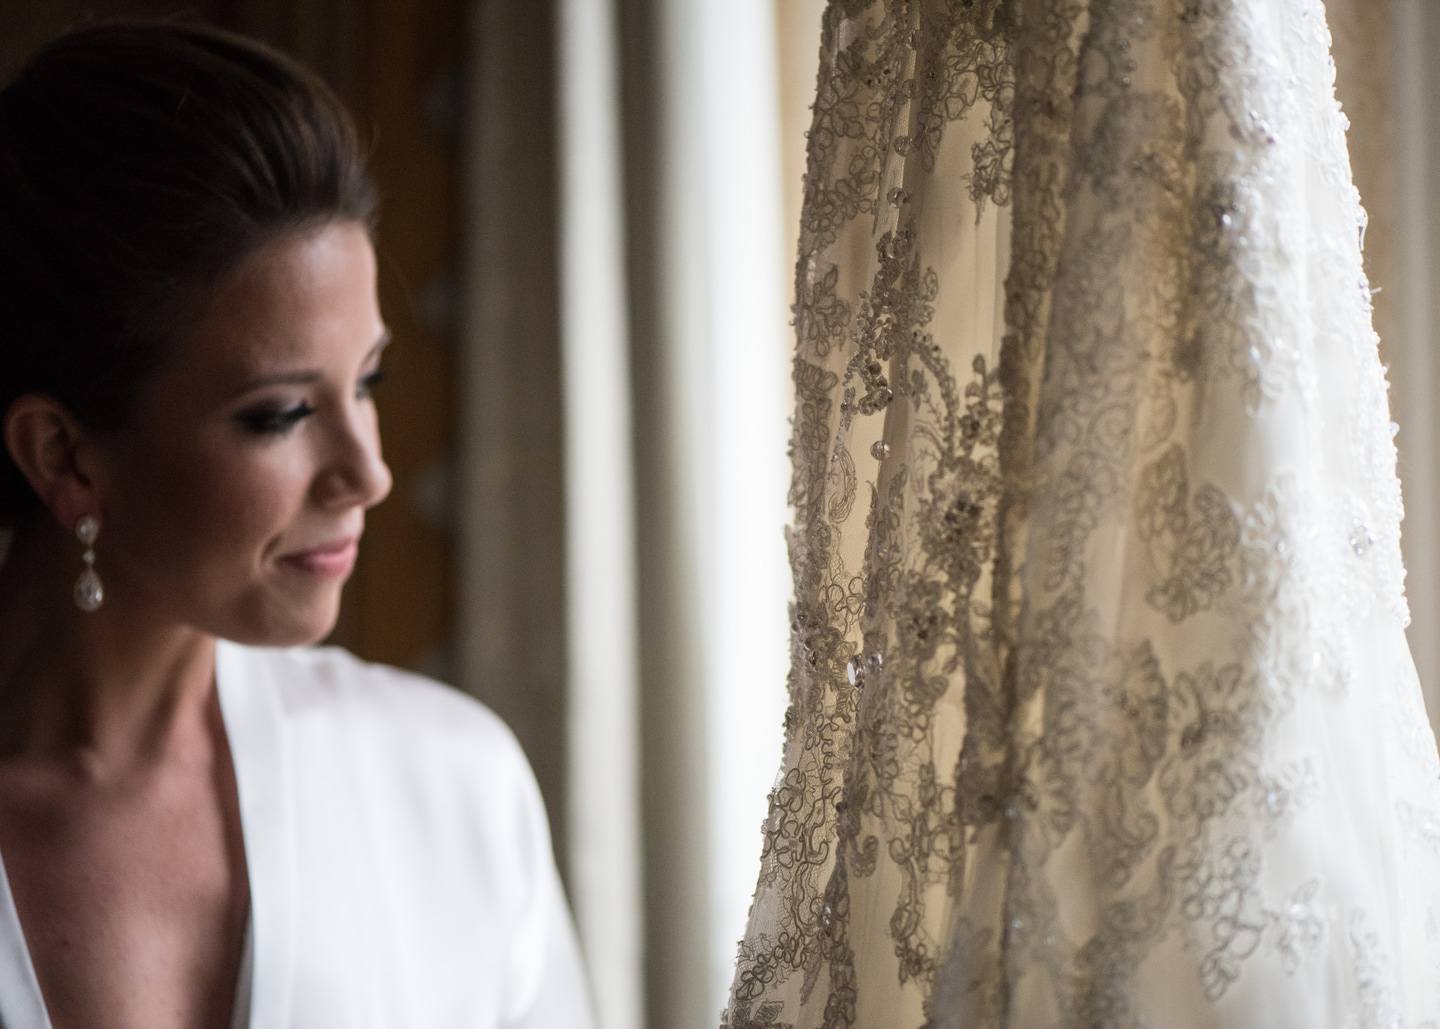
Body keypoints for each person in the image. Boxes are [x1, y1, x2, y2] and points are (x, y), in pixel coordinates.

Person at [0, 21, 593, 1028]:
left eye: (367, 382)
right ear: (63, 455)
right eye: (280, 414)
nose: (370, 473)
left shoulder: (455, 790)